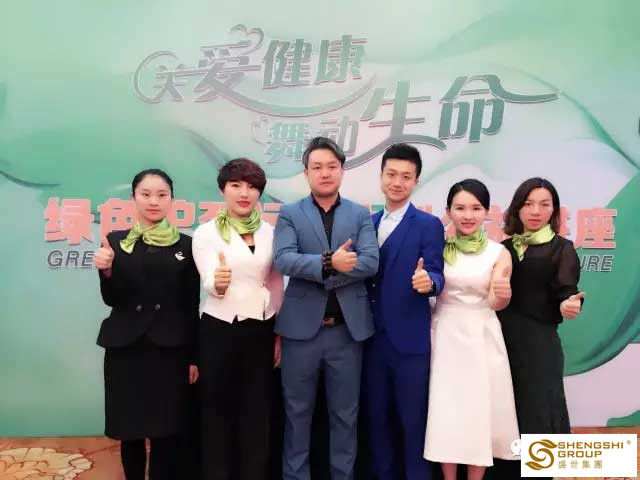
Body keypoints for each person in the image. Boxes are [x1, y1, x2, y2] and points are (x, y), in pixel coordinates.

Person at [273, 136, 379, 480]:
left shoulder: (359, 214)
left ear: (342, 171)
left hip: (346, 333)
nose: (325, 173)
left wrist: (328, 268)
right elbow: (284, 259)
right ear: (306, 173)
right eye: (317, 167)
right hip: (300, 334)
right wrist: (330, 262)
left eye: (332, 166)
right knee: (296, 415)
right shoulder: (290, 213)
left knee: (345, 417)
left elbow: (370, 262)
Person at [94, 168, 200, 480]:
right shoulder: (117, 242)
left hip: (169, 349)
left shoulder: (187, 245)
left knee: (165, 430)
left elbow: (190, 305)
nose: (154, 201)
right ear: (134, 198)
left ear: (172, 200)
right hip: (126, 348)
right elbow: (112, 299)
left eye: (161, 195)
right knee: (131, 430)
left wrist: (194, 357)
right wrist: (106, 272)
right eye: (146, 194)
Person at [192, 158, 283, 480]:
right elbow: (208, 277)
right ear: (223, 190)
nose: (244, 193)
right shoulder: (206, 233)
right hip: (218, 328)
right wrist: (216, 283)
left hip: (260, 328)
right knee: (217, 412)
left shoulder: (271, 233)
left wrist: (278, 332)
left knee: (257, 412)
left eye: (252, 187)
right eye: (236, 185)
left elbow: (276, 283)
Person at [424, 179, 519, 480]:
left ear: (487, 211)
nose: (468, 215)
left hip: (481, 336)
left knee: (479, 411)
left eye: (476, 208)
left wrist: (502, 295)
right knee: (446, 411)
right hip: (444, 334)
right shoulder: (436, 249)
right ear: (448, 211)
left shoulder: (498, 253)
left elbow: (496, 301)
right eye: (460, 208)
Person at [492, 177, 585, 480]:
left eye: (545, 204)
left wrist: (569, 305)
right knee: (506, 414)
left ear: (554, 210)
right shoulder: (502, 249)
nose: (536, 211)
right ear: (517, 208)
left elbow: (567, 291)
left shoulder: (562, 249)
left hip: (539, 347)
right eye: (529, 203)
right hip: (502, 345)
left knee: (538, 416)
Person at [362, 143, 445, 480]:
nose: (397, 182)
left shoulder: (428, 225)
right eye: (391, 174)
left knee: (413, 423)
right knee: (377, 422)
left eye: (406, 176)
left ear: (416, 180)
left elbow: (437, 272)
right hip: (370, 341)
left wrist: (430, 282)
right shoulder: (367, 223)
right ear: (381, 176)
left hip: (410, 343)